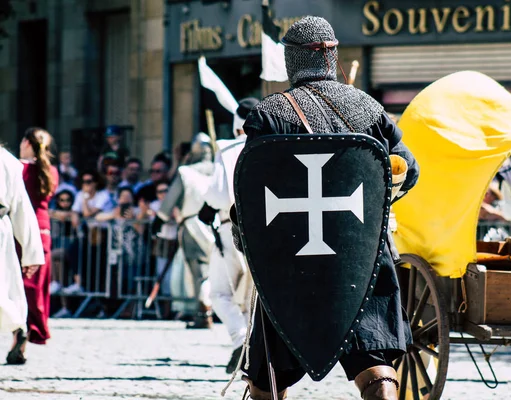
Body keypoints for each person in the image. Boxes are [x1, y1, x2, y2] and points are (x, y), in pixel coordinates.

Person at [236, 16, 419, 400]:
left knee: (268, 375)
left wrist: (245, 234)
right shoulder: (368, 109)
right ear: (331, 54)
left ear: (292, 59)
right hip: (359, 258)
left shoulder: (271, 114)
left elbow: (251, 188)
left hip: (291, 261)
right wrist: (373, 207)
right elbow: (408, 170)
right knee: (375, 361)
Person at [196, 98, 259, 373]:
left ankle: (239, 340)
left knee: (219, 292)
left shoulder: (229, 148)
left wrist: (206, 207)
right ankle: (249, 346)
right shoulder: (270, 146)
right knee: (248, 299)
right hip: (263, 233)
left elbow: (219, 194)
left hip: (230, 227)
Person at [156, 133, 215, 328]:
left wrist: (160, 220)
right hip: (218, 227)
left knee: (200, 271)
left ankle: (203, 313)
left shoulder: (186, 173)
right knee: (213, 271)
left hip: (194, 226)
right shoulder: (220, 170)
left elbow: (170, 200)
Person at [0, 145, 45, 365]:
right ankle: (18, 327)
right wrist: (32, 252)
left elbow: (21, 207)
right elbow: (22, 208)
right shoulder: (7, 160)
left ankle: (18, 326)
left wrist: (32, 253)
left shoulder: (7, 161)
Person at [19, 127, 59, 349]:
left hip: (22, 225)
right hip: (43, 228)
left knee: (19, 282)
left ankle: (20, 330)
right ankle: (34, 327)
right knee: (37, 283)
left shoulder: (19, 168)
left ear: (26, 143)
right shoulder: (51, 170)